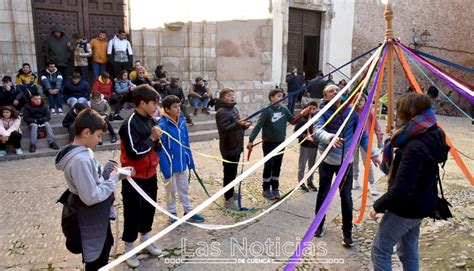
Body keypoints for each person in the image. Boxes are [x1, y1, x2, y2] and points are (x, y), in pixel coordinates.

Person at [370, 93, 450, 270]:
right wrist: (396, 137)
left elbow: (402, 187)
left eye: (399, 111)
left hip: (407, 207)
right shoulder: (431, 132)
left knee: (380, 250)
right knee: (408, 250)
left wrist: (378, 205)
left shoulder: (414, 146)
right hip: (422, 203)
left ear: (408, 114)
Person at [55, 108, 126, 270]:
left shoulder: (85, 153)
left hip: (96, 214)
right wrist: (113, 179)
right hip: (89, 215)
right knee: (97, 258)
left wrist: (109, 173)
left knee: (105, 245)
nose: (100, 140)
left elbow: (94, 181)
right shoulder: (80, 160)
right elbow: (91, 196)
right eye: (99, 135)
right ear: (87, 132)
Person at [313, 84, 380, 247]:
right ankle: (318, 225)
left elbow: (362, 135)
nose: (335, 92)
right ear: (325, 96)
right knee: (323, 194)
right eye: (330, 91)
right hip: (327, 161)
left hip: (346, 163)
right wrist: (330, 137)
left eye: (337, 90)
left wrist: (372, 153)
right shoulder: (321, 112)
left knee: (347, 198)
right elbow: (317, 130)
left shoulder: (351, 113)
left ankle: (347, 233)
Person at [118, 85, 163, 268]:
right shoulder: (128, 124)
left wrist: (158, 140)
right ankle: (129, 246)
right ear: (142, 103)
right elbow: (135, 152)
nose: (156, 107)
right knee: (132, 211)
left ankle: (145, 238)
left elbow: (155, 146)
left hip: (150, 173)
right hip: (134, 177)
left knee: (148, 208)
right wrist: (152, 139)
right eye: (154, 103)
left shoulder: (150, 120)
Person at [247, 89, 308, 200]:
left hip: (280, 142)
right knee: (268, 165)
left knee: (277, 165)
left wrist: (302, 115)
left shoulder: (284, 110)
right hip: (268, 143)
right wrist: (251, 140)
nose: (282, 98)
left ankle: (275, 187)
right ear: (272, 97)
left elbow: (293, 121)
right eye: (279, 96)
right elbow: (258, 126)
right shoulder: (267, 111)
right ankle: (266, 189)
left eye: (282, 96)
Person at [157, 95, 205, 222]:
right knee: (171, 190)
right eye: (175, 107)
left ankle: (188, 211)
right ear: (167, 109)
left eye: (179, 106)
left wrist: (190, 160)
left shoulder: (182, 121)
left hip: (182, 162)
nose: (178, 109)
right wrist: (165, 168)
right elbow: (160, 149)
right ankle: (172, 213)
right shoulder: (162, 125)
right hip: (170, 165)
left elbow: (186, 143)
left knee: (184, 188)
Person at [215, 88, 252, 209]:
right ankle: (228, 198)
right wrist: (238, 124)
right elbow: (224, 130)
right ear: (222, 98)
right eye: (229, 95)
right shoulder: (221, 112)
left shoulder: (234, 109)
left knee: (233, 172)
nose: (232, 97)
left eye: (233, 95)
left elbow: (236, 127)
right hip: (228, 147)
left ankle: (230, 192)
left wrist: (244, 126)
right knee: (229, 173)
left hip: (237, 145)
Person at [352, 94, 383, 195]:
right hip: (353, 141)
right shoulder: (352, 111)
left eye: (362, 100)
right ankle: (355, 180)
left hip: (366, 141)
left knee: (367, 162)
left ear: (366, 101)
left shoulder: (369, 111)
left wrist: (379, 139)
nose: (360, 101)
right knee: (354, 161)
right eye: (358, 99)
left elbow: (377, 126)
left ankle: (372, 184)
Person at [292, 100, 319, 192]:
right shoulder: (302, 119)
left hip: (314, 146)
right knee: (302, 165)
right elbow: (295, 132)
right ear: (307, 108)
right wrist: (304, 136)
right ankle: (301, 182)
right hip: (305, 145)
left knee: (312, 165)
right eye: (310, 108)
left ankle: (310, 182)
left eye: (314, 108)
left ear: (316, 109)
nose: (312, 110)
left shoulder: (317, 119)